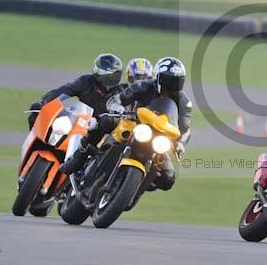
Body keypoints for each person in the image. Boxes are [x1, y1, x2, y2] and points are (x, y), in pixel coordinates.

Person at [60, 57, 191, 192]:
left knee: (168, 177)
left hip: (158, 137)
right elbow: (116, 100)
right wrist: (119, 109)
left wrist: (180, 143)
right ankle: (78, 158)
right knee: (104, 122)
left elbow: (185, 129)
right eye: (168, 81)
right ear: (157, 77)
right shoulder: (143, 86)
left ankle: (134, 189)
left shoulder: (184, 103)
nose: (171, 86)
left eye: (177, 82)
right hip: (132, 123)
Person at [27, 53, 124, 129]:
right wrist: (43, 103)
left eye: (116, 75)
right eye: (109, 76)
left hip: (101, 132)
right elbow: (63, 91)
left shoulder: (119, 93)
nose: (111, 79)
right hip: (77, 125)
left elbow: (127, 111)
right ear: (99, 72)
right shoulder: (85, 81)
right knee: (34, 117)